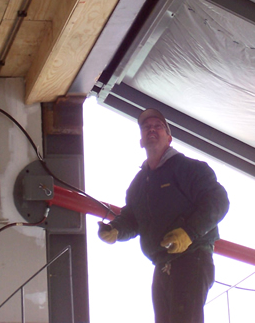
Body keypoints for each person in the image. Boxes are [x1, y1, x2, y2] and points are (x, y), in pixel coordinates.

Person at [98, 108, 229, 323]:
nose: (152, 129)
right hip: (162, 263)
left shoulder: (189, 169)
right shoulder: (139, 184)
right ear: (141, 140)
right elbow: (132, 217)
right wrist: (116, 229)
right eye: (146, 127)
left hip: (191, 257)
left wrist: (189, 233)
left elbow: (219, 200)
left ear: (169, 138)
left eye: (158, 126)